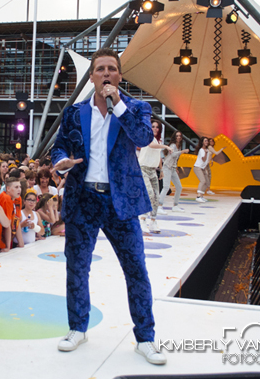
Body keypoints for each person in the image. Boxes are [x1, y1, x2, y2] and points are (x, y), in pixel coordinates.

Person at [51, 48, 165, 365]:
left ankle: (145, 338)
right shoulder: (74, 112)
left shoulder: (137, 108)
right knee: (77, 267)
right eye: (100, 69)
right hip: (83, 198)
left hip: (121, 201)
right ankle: (78, 328)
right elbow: (59, 146)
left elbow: (143, 137)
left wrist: (119, 106)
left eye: (111, 68)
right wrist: (61, 161)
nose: (105, 73)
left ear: (119, 75)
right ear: (91, 77)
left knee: (136, 270)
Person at [137, 120, 169, 233]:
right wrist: (166, 146)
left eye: (157, 127)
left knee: (156, 196)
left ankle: (153, 221)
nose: (155, 128)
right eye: (153, 126)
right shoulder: (147, 137)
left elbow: (158, 155)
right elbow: (151, 145)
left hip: (153, 171)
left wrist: (161, 170)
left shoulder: (158, 141)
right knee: (149, 194)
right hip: (143, 169)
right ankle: (142, 220)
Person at [159, 130, 188, 213]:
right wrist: (182, 151)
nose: (178, 137)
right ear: (174, 137)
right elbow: (173, 154)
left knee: (179, 187)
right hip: (167, 168)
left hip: (172, 168)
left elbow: (174, 158)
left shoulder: (178, 146)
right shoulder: (173, 145)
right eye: (177, 136)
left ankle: (175, 206)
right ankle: (159, 206)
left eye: (180, 136)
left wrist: (176, 168)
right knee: (166, 187)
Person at [194, 137, 211, 203]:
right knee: (203, 181)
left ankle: (201, 196)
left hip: (203, 168)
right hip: (197, 167)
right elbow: (203, 159)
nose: (206, 142)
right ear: (202, 142)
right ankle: (198, 196)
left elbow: (206, 161)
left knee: (207, 182)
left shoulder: (206, 150)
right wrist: (206, 153)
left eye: (207, 141)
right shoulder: (201, 150)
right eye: (205, 141)